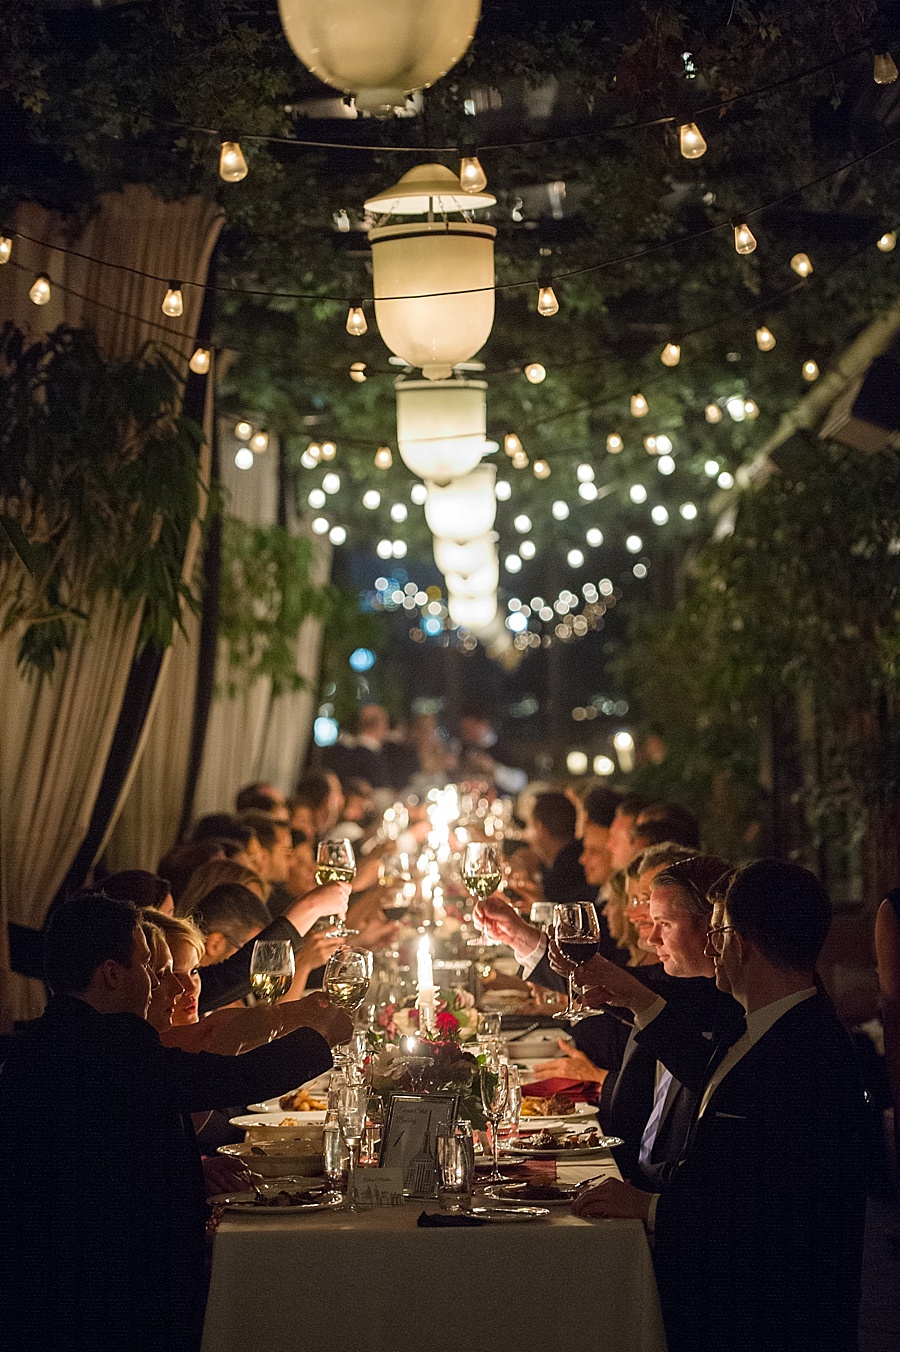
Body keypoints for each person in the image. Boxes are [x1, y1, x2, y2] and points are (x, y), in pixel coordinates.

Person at [0, 893, 351, 1352]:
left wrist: (191, 1168)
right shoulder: (106, 1044)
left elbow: (109, 1145)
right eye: (147, 967)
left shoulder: (44, 1041)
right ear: (110, 974)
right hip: (109, 1288)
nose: (155, 982)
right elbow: (224, 1080)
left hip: (56, 1275)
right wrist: (317, 1038)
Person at [573, 859, 868, 1352]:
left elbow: (782, 1216)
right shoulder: (763, 1025)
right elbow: (713, 1099)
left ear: (744, 942)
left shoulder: (805, 1053)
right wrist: (638, 1002)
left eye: (718, 930)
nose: (713, 946)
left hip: (763, 1319)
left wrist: (650, 1207)